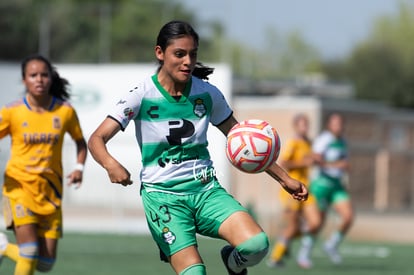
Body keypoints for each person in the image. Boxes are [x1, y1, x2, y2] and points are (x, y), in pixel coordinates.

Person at [87, 20, 308, 275]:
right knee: (195, 273)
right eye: (179, 54)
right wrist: (110, 164)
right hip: (163, 199)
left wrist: (285, 179)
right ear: (160, 53)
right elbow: (97, 139)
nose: (187, 61)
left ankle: (233, 263)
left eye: (192, 54)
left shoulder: (207, 94)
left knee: (256, 246)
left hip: (206, 192)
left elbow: (243, 141)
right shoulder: (141, 95)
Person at [0, 54, 87, 274]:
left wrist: (79, 168)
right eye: (33, 75)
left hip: (50, 193)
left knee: (45, 264)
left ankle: (1, 247)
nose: (39, 79)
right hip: (18, 188)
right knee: (28, 252)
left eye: (44, 75)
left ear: (51, 78)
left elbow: (80, 143)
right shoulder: (12, 112)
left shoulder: (65, 111)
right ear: (24, 81)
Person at [296, 112, 353, 265]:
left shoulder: (343, 141)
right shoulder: (324, 140)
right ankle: (304, 252)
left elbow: (345, 164)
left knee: (348, 217)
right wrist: (332, 164)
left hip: (336, 185)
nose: (338, 126)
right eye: (335, 123)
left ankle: (331, 245)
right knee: (317, 222)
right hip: (321, 184)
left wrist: (341, 166)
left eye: (340, 123)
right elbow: (315, 158)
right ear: (329, 125)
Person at [267, 114, 320, 269]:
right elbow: (285, 163)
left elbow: (310, 161)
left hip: (307, 189)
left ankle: (288, 242)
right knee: (292, 227)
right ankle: (276, 257)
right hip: (293, 191)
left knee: (316, 223)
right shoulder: (293, 143)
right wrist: (304, 162)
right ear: (296, 126)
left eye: (307, 125)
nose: (305, 128)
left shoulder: (309, 143)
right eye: (302, 125)